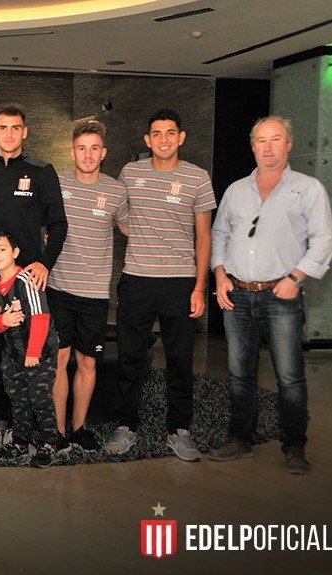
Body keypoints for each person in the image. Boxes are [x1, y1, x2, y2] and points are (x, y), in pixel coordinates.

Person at [210, 116, 332, 475]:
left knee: (290, 376)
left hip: (282, 296)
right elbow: (219, 235)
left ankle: (294, 447)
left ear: (289, 144)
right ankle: (239, 440)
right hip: (237, 296)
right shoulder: (236, 190)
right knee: (238, 374)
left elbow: (324, 239)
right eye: (261, 141)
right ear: (253, 147)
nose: (267, 147)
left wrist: (296, 276)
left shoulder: (308, 189)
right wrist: (219, 274)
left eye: (275, 139)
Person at [104, 109, 216, 462]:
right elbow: (120, 216)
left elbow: (204, 236)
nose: (164, 139)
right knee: (130, 358)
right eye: (157, 133)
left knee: (181, 359)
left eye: (170, 133)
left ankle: (179, 430)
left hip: (180, 282)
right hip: (137, 279)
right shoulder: (130, 173)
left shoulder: (198, 178)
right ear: (147, 140)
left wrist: (199, 287)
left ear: (181, 137)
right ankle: (126, 426)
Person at [0, 102, 67, 451]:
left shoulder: (41, 171)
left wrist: (46, 263)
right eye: (2, 128)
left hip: (27, 282)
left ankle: (21, 428)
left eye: (15, 128)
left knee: (26, 354)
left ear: (24, 132)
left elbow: (58, 224)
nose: (9, 134)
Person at [47, 120, 127, 451]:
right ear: (72, 152)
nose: (88, 154)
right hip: (58, 288)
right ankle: (57, 431)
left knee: (88, 362)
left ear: (103, 153)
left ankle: (79, 428)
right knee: (59, 359)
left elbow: (132, 229)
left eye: (95, 148)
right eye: (82, 148)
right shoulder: (56, 182)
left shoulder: (115, 191)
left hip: (94, 293)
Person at [0, 231, 62, 467]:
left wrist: (33, 353)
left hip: (39, 354)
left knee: (40, 399)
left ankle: (50, 443)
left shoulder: (27, 280)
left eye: (2, 249)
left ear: (15, 253)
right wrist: (3, 321)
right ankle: (20, 442)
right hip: (13, 355)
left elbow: (40, 317)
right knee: (18, 400)